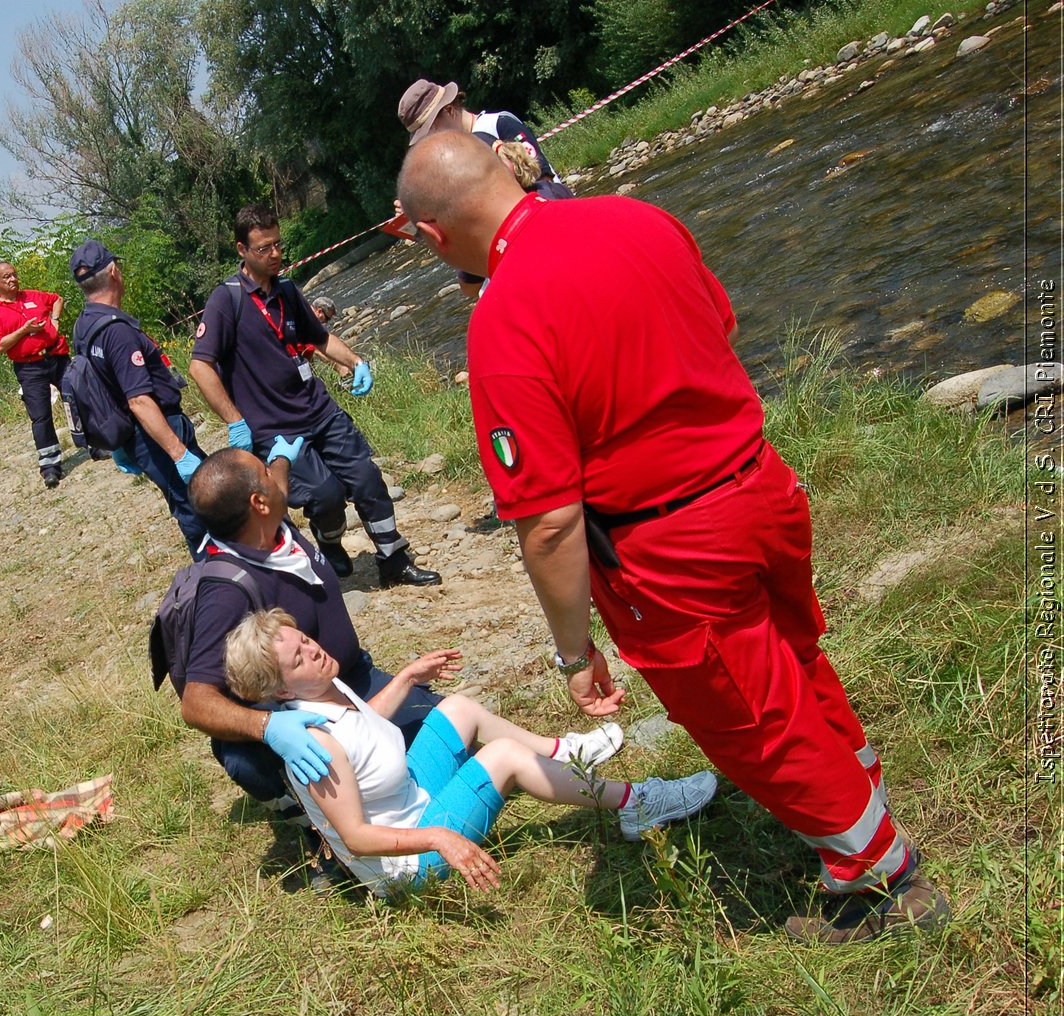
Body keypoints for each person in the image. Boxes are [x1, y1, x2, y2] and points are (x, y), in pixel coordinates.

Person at [396, 131, 949, 943]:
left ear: (435, 237)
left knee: (751, 718)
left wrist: (574, 652)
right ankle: (859, 789)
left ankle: (882, 879)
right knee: (792, 657)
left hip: (676, 545)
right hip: (762, 484)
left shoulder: (503, 319)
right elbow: (716, 324)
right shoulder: (635, 216)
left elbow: (549, 520)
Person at [224, 608, 716, 895]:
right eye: (299, 657)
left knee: (458, 708)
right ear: (280, 689)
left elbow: (364, 727)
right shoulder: (315, 747)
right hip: (408, 862)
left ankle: (566, 755)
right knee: (501, 757)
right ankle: (637, 805)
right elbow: (353, 837)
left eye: (306, 639)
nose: (314, 649)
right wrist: (440, 838)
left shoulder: (326, 687)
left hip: (410, 796)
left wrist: (407, 679)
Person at [179, 446, 454, 847]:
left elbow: (276, 486)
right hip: (310, 720)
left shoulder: (273, 529)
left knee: (448, 730)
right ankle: (319, 828)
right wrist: (269, 727)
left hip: (354, 685)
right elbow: (195, 702)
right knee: (250, 760)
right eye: (265, 472)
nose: (274, 475)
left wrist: (283, 459)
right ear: (258, 502)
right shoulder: (225, 592)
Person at [190, 204, 439, 588]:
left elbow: (319, 338)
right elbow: (200, 367)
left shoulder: (288, 289)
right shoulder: (228, 301)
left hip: (320, 410)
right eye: (263, 249)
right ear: (241, 250)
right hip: (277, 429)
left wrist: (356, 362)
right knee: (325, 495)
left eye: (277, 245)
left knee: (367, 479)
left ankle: (394, 558)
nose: (274, 255)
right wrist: (235, 421)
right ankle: (330, 542)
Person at [69, 238, 208, 557]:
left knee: (188, 503)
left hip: (136, 437)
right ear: (114, 271)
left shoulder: (83, 327)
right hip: (158, 432)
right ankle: (219, 583)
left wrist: (119, 445)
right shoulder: (117, 331)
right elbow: (139, 400)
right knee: (198, 508)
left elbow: (99, 388)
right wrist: (178, 453)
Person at [397, 78, 572, 301]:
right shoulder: (447, 160)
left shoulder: (498, 124)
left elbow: (542, 178)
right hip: (501, 260)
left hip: (545, 233)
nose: (431, 141)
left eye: (431, 130)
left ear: (449, 110)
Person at [0, 262, 72, 488]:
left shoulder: (32, 296)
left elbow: (57, 300)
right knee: (41, 416)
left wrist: (54, 321)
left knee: (76, 397)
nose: (12, 279)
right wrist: (25, 330)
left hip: (56, 357)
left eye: (14, 275)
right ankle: (50, 466)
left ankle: (93, 442)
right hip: (29, 367)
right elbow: (0, 346)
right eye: (6, 277)